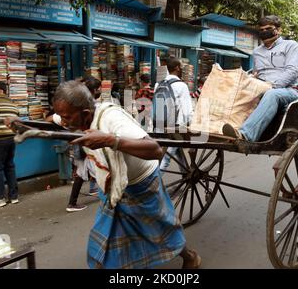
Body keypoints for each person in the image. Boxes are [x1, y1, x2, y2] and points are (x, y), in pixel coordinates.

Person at [51, 80, 200, 269]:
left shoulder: (111, 118)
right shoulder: (74, 117)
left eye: (66, 118)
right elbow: (54, 119)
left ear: (85, 114)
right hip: (113, 188)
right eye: (61, 117)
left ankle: (190, 257)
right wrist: (22, 124)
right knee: (102, 245)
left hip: (141, 184)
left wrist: (109, 140)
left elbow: (155, 150)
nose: (63, 122)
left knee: (161, 229)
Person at [223, 15, 298, 142]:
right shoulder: (256, 52)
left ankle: (245, 134)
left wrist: (271, 86)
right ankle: (220, 128)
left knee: (272, 94)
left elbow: (292, 72)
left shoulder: (291, 46)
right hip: (261, 88)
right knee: (233, 91)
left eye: (268, 28)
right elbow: (257, 74)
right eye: (262, 29)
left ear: (279, 30)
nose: (265, 32)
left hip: (287, 90)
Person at [46, 76, 100, 212]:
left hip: (90, 148)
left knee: (85, 172)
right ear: (93, 91)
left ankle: (91, 192)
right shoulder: (77, 110)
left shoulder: (98, 111)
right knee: (83, 172)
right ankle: (72, 203)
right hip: (84, 147)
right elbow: (51, 118)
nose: (65, 121)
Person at [155, 58, 193, 174]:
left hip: (160, 124)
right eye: (180, 67)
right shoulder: (181, 86)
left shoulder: (159, 84)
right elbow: (187, 111)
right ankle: (154, 185)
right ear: (177, 68)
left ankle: (186, 174)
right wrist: (190, 124)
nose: (181, 69)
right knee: (166, 157)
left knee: (176, 150)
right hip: (176, 126)